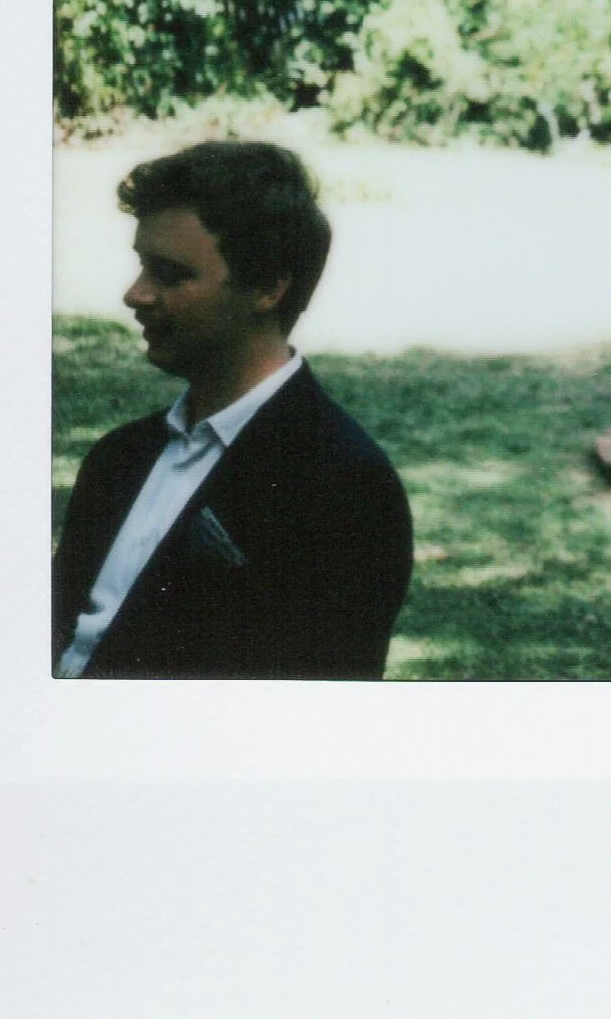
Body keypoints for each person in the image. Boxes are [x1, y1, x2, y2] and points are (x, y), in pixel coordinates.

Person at [53, 140, 413, 679]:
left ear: (267, 287)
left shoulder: (344, 486)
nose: (135, 294)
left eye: (169, 274)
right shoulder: (119, 456)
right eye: (142, 266)